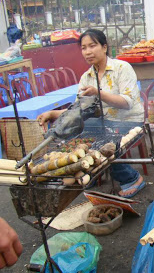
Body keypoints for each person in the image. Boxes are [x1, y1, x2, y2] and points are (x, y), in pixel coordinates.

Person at [38, 29, 145, 198]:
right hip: (103, 122)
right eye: (83, 48)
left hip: (129, 121)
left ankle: (133, 178)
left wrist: (98, 92)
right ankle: (90, 172)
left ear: (104, 47)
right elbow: (78, 110)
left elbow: (127, 103)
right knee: (75, 138)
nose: (88, 51)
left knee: (106, 145)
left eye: (92, 46)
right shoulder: (86, 77)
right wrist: (52, 113)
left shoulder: (122, 68)